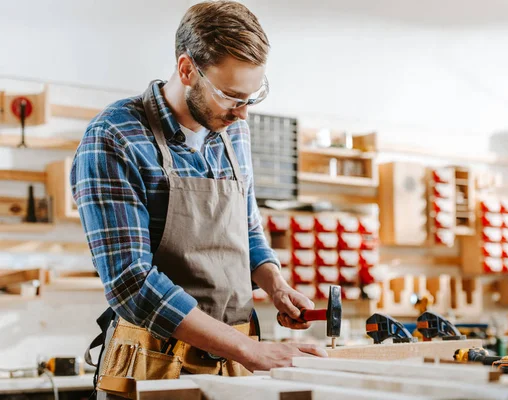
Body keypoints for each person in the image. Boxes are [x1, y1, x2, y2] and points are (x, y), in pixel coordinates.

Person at [71, 1, 326, 397]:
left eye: (251, 97)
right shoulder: (115, 137)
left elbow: (246, 226)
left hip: (238, 366)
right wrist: (250, 350)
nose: (242, 115)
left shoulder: (232, 132)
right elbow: (131, 284)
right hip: (154, 367)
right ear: (187, 70)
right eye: (230, 96)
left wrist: (274, 284)